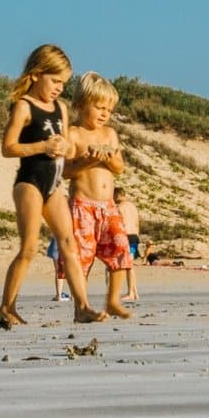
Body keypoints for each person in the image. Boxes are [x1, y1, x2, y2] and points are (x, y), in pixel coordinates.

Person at [0, 44, 105, 328]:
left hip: (54, 184)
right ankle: (7, 307)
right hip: (30, 183)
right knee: (29, 247)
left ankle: (82, 307)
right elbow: (8, 147)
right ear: (36, 74)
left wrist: (72, 149)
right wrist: (43, 146)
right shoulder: (24, 106)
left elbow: (68, 148)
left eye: (64, 83)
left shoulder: (60, 108)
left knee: (69, 244)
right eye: (55, 81)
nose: (59, 88)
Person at [62, 72, 134, 319]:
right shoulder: (73, 134)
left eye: (109, 109)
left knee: (121, 248)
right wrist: (87, 161)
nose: (104, 113)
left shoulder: (109, 134)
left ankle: (113, 300)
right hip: (83, 206)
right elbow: (66, 172)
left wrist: (110, 158)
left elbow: (119, 168)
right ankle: (80, 307)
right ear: (81, 104)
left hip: (108, 205)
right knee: (81, 257)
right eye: (99, 107)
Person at [114, 187, 140, 302]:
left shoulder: (119, 207)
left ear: (118, 195)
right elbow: (137, 222)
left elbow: (119, 223)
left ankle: (131, 292)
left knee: (127, 265)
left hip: (125, 236)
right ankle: (134, 292)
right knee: (130, 264)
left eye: (114, 196)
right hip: (134, 236)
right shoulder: (133, 206)